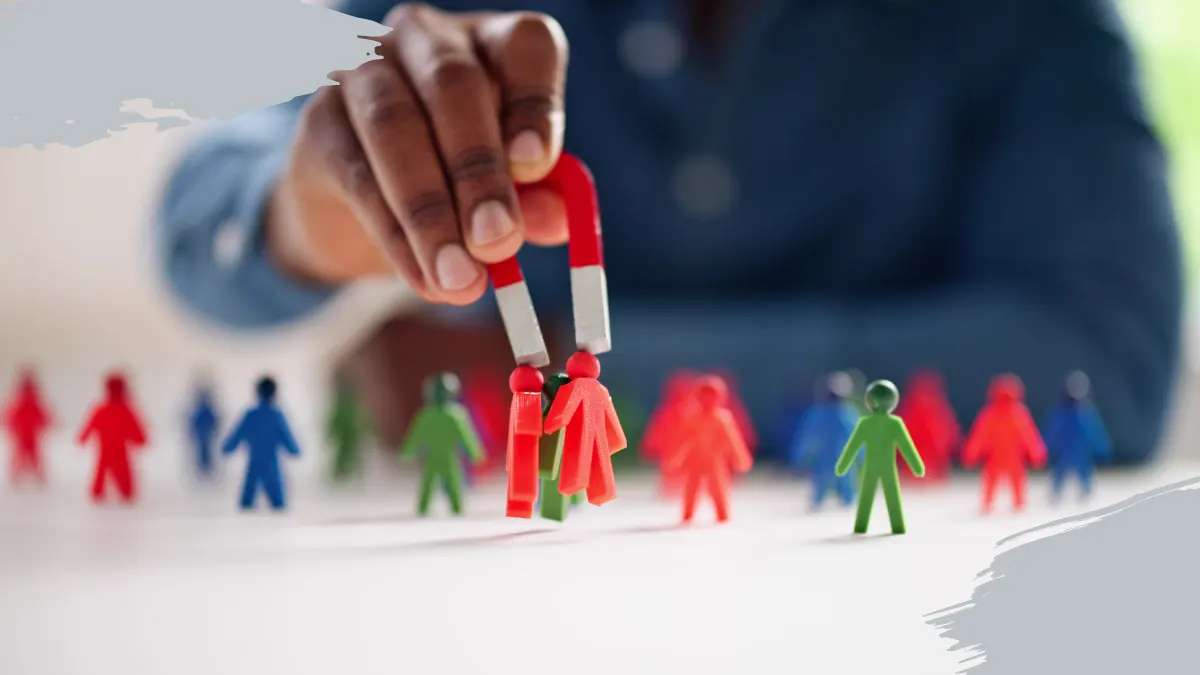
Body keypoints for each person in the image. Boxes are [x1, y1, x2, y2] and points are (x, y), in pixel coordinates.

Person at [155, 0, 1183, 464]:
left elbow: (1108, 356)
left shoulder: (1028, 22)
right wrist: (302, 221)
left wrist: (579, 369)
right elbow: (197, 222)